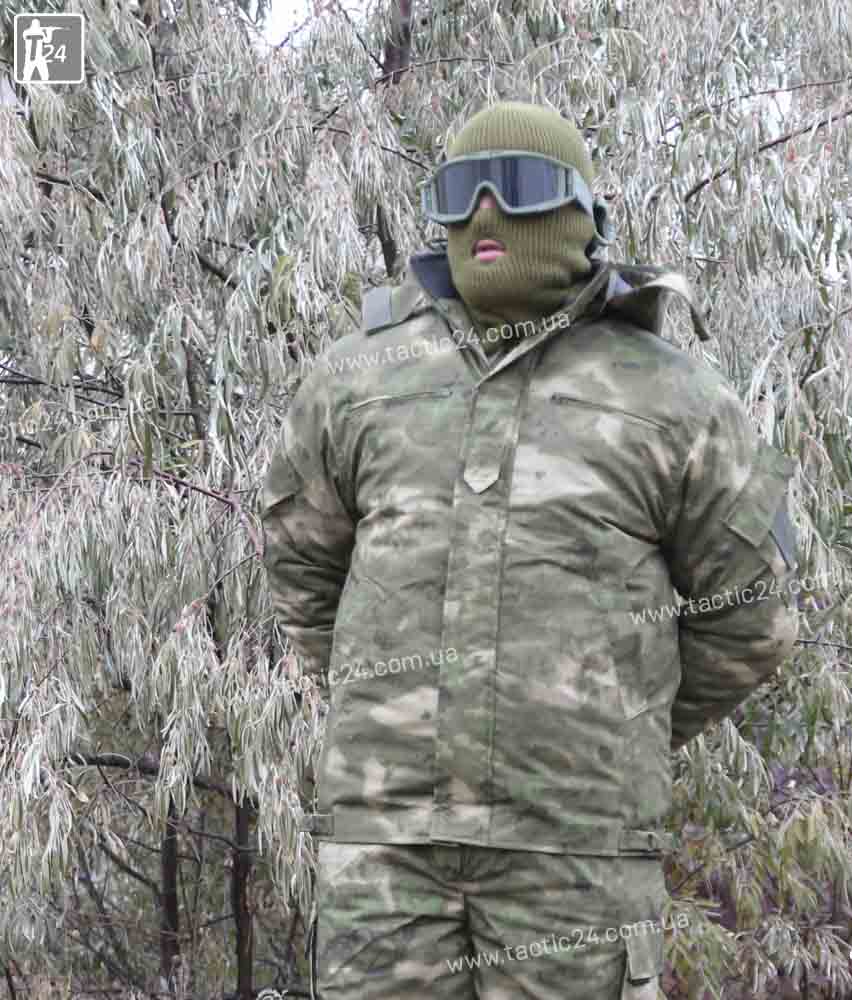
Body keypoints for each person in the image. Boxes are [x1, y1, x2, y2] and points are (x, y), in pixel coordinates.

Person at [260, 101, 799, 1000]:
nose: (484, 214)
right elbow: (301, 568)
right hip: (384, 858)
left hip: (576, 857)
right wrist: (389, 703)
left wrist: (611, 729)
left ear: (579, 210)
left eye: (515, 187)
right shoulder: (358, 381)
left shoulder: (675, 398)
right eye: (458, 191)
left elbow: (752, 619)